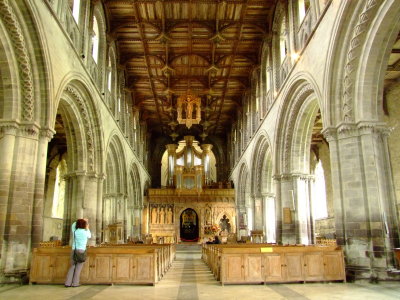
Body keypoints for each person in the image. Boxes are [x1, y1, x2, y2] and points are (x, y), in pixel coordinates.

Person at [65, 218, 91, 287]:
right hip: (82, 251)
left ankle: (67, 283)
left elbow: (73, 225)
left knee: (72, 267)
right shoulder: (86, 232)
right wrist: (87, 226)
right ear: (84, 225)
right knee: (78, 268)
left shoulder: (75, 231)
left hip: (74, 250)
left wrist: (81, 219)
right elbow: (90, 236)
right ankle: (75, 283)